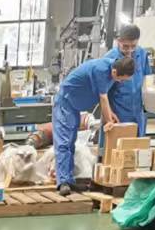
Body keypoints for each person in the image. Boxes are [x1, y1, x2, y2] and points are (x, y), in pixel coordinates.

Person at [52, 55, 136, 193]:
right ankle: (63, 182)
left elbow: (104, 96)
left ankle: (69, 180)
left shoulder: (112, 70)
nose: (120, 82)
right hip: (65, 103)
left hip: (74, 105)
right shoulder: (101, 69)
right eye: (121, 79)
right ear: (115, 72)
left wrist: (110, 113)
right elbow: (103, 97)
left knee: (71, 143)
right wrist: (109, 121)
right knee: (64, 142)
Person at [104, 25, 152, 128]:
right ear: (118, 41)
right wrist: (109, 113)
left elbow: (146, 78)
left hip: (137, 111)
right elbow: (103, 92)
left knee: (138, 137)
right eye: (125, 46)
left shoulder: (142, 54)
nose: (129, 50)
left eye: (133, 46)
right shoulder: (109, 59)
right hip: (117, 112)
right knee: (118, 138)